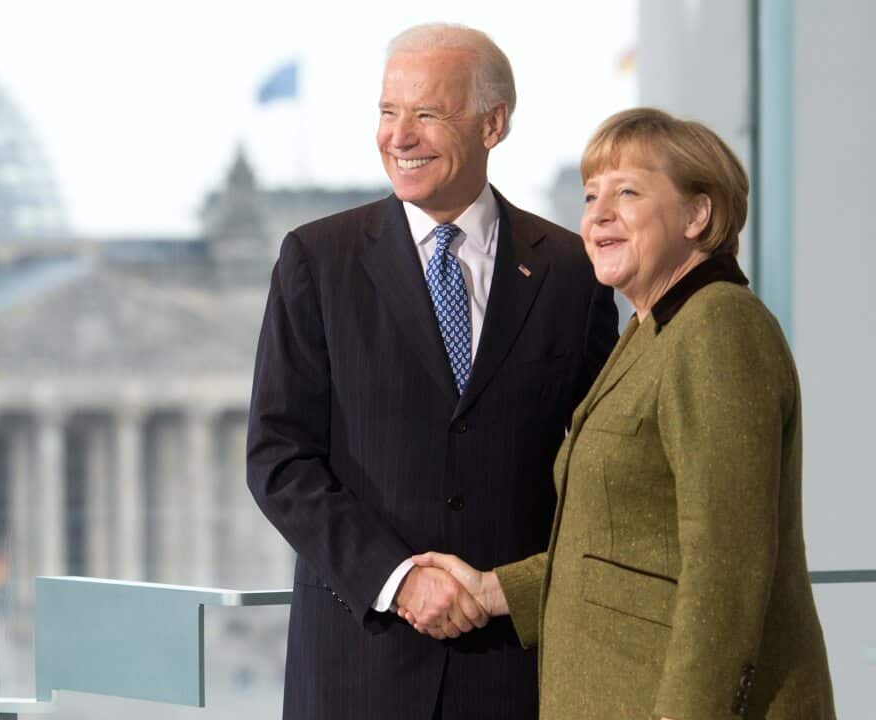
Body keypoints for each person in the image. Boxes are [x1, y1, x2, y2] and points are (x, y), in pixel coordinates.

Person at [407, 108, 836, 719]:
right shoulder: (652, 332)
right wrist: (492, 590)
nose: (597, 214)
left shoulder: (718, 326)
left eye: (627, 192)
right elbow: (624, 548)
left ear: (697, 214)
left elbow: (726, 564)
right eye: (589, 195)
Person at [246, 22, 618, 719]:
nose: (399, 136)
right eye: (388, 112)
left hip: (517, 669)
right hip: (359, 668)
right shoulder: (317, 261)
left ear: (492, 124)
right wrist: (397, 578)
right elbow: (278, 459)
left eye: (426, 114)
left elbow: (604, 461)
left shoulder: (573, 273)